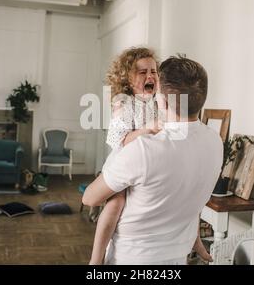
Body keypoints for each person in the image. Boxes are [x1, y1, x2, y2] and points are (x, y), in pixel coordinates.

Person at [83, 55, 223, 265]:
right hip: (177, 258)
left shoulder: (145, 150)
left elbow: (89, 198)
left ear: (163, 100)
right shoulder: (215, 142)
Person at [89, 47, 161, 265]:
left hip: (149, 162)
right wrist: (147, 129)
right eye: (142, 72)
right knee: (116, 203)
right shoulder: (124, 103)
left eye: (154, 72)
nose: (150, 76)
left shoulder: (158, 103)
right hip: (124, 161)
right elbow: (118, 140)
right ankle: (96, 258)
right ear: (128, 79)